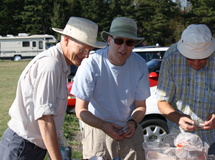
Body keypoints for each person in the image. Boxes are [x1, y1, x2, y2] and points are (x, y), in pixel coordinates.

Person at [0, 17, 106, 160]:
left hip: (29, 146)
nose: (86, 55)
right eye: (82, 49)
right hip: (22, 146)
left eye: (89, 50)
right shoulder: (51, 65)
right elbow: (44, 117)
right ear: (66, 40)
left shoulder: (60, 65)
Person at [71, 17, 150, 160]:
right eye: (119, 40)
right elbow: (80, 110)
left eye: (129, 42)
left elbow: (141, 106)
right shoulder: (91, 63)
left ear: (134, 45)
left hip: (129, 130)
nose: (123, 47)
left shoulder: (140, 64)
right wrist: (103, 125)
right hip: (98, 129)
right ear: (109, 40)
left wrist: (133, 122)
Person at [156, 24, 215, 157]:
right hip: (181, 137)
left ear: (211, 50)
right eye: (190, 58)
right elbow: (162, 101)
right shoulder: (171, 58)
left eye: (202, 58)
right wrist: (178, 118)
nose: (196, 63)